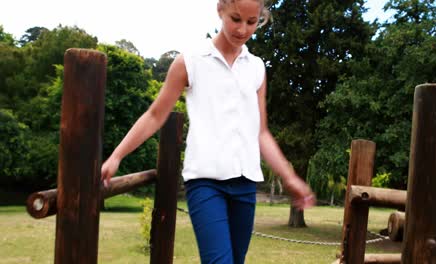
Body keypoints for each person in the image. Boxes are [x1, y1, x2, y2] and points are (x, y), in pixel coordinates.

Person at [101, 0, 315, 263]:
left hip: (246, 184)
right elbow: (155, 115)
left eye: (252, 22)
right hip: (205, 183)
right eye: (235, 19)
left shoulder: (256, 67)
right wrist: (117, 155)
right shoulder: (190, 61)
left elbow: (261, 132)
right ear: (220, 10)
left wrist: (289, 176)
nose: (243, 29)